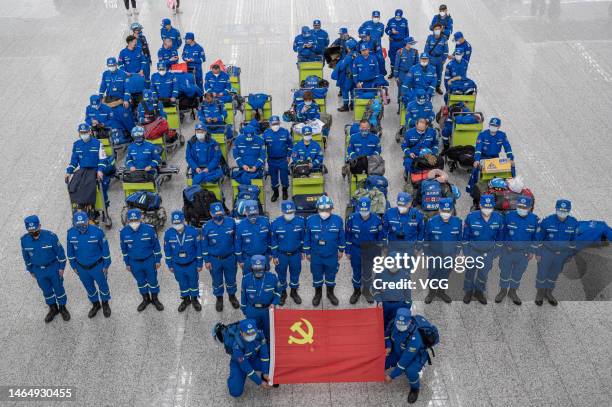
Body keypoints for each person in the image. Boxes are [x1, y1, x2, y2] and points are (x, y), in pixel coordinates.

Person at [20, 215, 70, 323]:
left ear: (40, 226)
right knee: (46, 290)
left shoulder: (51, 237)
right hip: (38, 271)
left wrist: (61, 268)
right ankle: (53, 308)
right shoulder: (24, 240)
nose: (34, 233)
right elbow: (26, 256)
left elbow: (61, 253)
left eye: (35, 230)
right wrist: (30, 270)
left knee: (59, 289)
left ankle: (62, 308)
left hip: (53, 268)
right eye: (31, 231)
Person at [66, 211, 112, 318]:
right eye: (79, 225)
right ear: (73, 223)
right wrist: (73, 266)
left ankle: (105, 304)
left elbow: (105, 250)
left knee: (103, 286)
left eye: (84, 224)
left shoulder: (97, 232)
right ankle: (96, 304)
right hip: (81, 268)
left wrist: (106, 265)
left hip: (98, 266)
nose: (82, 227)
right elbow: (70, 252)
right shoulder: (70, 233)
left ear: (88, 221)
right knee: (89, 287)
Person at [496, 196, 539, 305]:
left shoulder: (534, 219)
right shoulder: (508, 216)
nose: (522, 208)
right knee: (504, 272)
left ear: (530, 208)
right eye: (519, 206)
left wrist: (532, 251)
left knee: (518, 274)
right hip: (507, 252)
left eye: (524, 207)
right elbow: (502, 233)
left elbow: (536, 237)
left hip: (523, 254)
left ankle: (513, 292)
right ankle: (502, 291)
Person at [462, 195, 504, 305]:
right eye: (485, 206)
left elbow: (500, 238)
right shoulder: (471, 217)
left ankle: (479, 292)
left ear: (494, 207)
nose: (487, 209)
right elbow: (465, 236)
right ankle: (468, 292)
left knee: (483, 274)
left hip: (488, 253)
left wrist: (496, 252)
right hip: (472, 251)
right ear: (480, 205)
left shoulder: (499, 218)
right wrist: (466, 252)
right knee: (470, 273)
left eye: (490, 207)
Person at [119, 209, 164, 312]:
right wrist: (127, 263)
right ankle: (145, 299)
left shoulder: (149, 229)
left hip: (149, 260)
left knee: (153, 281)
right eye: (131, 220)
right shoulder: (123, 232)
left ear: (141, 218)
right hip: (134, 263)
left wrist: (158, 260)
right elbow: (124, 250)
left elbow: (156, 246)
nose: (134, 222)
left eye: (136, 219)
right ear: (128, 220)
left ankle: (155, 299)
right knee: (141, 282)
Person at [535, 199, 578, 306]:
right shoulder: (547, 221)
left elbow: (573, 240)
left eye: (565, 211)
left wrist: (570, 255)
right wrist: (538, 253)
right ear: (556, 209)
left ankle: (548, 293)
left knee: (554, 274)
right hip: (547, 253)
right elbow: (539, 238)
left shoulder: (573, 223)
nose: (562, 213)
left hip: (562, 255)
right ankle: (540, 294)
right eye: (560, 210)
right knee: (542, 273)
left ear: (569, 211)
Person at [304, 195, 345, 306]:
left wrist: (341, 249)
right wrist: (307, 252)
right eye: (322, 209)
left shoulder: (338, 220)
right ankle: (318, 294)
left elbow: (341, 236)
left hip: (332, 255)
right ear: (317, 209)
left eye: (327, 209)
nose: (324, 212)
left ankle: (330, 293)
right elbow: (307, 237)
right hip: (315, 255)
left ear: (332, 208)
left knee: (331, 275)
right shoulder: (310, 220)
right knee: (316, 275)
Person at [384, 308, 428, 404]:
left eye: (403, 324)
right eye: (398, 323)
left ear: (409, 322)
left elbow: (404, 361)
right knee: (382, 360)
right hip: (398, 350)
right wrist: (389, 346)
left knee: (410, 371)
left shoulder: (415, 338)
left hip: (415, 357)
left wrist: (392, 376)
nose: (399, 326)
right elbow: (386, 335)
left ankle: (415, 389)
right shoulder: (393, 323)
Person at [202, 202, 240, 312]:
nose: (218, 215)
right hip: (214, 260)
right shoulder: (206, 227)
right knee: (217, 281)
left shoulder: (231, 222)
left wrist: (237, 256)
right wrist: (206, 260)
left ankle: (232, 297)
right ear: (210, 213)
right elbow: (204, 245)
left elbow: (236, 241)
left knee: (231, 279)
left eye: (220, 213)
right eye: (215, 214)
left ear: (223, 212)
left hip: (230, 258)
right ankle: (219, 298)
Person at [423, 198, 462, 303]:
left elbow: (459, 239)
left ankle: (441, 292)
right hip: (434, 255)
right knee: (433, 274)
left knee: (445, 274)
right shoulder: (431, 222)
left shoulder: (457, 222)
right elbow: (426, 240)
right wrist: (427, 254)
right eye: (443, 211)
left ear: (452, 210)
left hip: (450, 255)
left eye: (448, 211)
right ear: (439, 210)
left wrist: (457, 253)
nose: (446, 213)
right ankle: (431, 293)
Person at [163, 210, 202, 312]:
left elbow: (198, 248)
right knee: (182, 283)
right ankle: (185, 300)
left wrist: (199, 263)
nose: (177, 225)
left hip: (191, 264)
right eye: (175, 223)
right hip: (177, 265)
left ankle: (194, 299)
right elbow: (167, 250)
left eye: (179, 222)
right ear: (172, 222)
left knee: (193, 282)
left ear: (184, 220)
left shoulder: (193, 231)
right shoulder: (168, 234)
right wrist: (169, 264)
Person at [346, 197, 383, 304]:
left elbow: (380, 237)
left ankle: (366, 290)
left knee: (368, 271)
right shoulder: (352, 218)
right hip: (356, 249)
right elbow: (348, 236)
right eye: (361, 210)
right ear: (358, 208)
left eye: (365, 210)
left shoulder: (377, 219)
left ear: (370, 208)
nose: (364, 213)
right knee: (356, 271)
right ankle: (356, 291)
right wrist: (348, 251)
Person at [226, 319, 272, 397]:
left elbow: (264, 355)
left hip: (253, 359)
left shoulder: (260, 335)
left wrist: (265, 372)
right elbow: (246, 367)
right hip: (239, 364)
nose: (251, 336)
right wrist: (259, 382)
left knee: (273, 366)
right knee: (235, 391)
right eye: (247, 334)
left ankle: (264, 374)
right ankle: (239, 377)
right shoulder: (237, 346)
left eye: (253, 333)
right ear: (241, 333)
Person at [270, 201, 304, 305]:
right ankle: (283, 293)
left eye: (291, 212)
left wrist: (303, 251)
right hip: (281, 255)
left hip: (296, 254)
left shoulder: (300, 221)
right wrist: (274, 256)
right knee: (281, 275)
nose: (290, 215)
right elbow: (273, 241)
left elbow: (303, 238)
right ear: (282, 211)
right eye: (287, 212)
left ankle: (294, 292)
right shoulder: (275, 223)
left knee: (295, 274)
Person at [469, 118, 514, 193]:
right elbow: (478, 148)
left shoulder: (502, 135)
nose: (493, 127)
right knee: (476, 169)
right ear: (489, 125)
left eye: (495, 126)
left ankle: (509, 186)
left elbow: (507, 147)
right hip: (483, 157)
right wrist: (477, 160)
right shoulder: (482, 134)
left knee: (507, 169)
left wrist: (511, 159)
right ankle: (473, 188)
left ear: (499, 127)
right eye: (492, 125)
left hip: (495, 157)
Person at [240, 255, 281, 340]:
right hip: (252, 310)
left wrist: (274, 303)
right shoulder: (246, 279)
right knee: (253, 332)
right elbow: (243, 296)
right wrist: (245, 310)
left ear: (265, 267)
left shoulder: (272, 278)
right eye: (256, 269)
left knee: (268, 331)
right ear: (251, 267)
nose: (258, 272)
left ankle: (268, 346)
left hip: (267, 310)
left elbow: (278, 292)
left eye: (260, 269)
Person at [235, 202, 270, 273]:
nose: (253, 217)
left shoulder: (265, 222)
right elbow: (237, 244)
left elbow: (270, 239)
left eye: (255, 214)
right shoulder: (240, 225)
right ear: (246, 213)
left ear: (258, 212)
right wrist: (240, 260)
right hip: (248, 258)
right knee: (248, 280)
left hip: (263, 256)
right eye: (250, 215)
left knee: (265, 280)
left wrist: (271, 254)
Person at [264, 116, 292, 202]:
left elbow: (290, 145)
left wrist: (288, 156)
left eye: (277, 124)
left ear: (279, 123)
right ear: (270, 124)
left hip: (283, 159)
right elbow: (262, 147)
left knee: (284, 177)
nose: (275, 125)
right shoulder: (266, 133)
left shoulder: (285, 132)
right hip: (271, 160)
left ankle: (285, 191)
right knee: (273, 178)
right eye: (273, 124)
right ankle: (275, 193)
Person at [424, 23, 449, 95]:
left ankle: (437, 86)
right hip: (431, 58)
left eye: (438, 29)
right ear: (433, 30)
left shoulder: (444, 38)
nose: (437, 30)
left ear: (441, 29)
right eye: (436, 29)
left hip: (439, 59)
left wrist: (444, 59)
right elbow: (426, 49)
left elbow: (446, 50)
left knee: (439, 73)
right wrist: (427, 58)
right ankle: (429, 86)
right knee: (430, 72)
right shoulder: (430, 37)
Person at [359, 11, 386, 75]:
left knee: (380, 60)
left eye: (377, 17)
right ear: (372, 17)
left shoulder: (381, 26)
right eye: (374, 16)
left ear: (379, 17)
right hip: (367, 45)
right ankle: (368, 74)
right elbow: (360, 31)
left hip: (377, 46)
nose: (376, 18)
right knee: (368, 60)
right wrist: (363, 37)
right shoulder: (366, 23)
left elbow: (381, 35)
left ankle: (381, 75)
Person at [334, 39, 358, 112]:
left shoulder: (348, 56)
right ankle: (353, 105)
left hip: (349, 77)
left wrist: (339, 63)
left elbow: (342, 67)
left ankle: (345, 106)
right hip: (356, 77)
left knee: (345, 90)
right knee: (353, 91)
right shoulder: (358, 54)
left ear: (348, 47)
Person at [385, 9, 409, 79]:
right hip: (393, 42)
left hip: (402, 42)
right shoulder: (391, 20)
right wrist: (391, 32)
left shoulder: (405, 21)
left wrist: (406, 42)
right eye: (396, 16)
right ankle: (392, 72)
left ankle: (400, 72)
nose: (398, 17)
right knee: (392, 57)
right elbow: (386, 30)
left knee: (402, 57)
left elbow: (407, 32)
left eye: (399, 16)